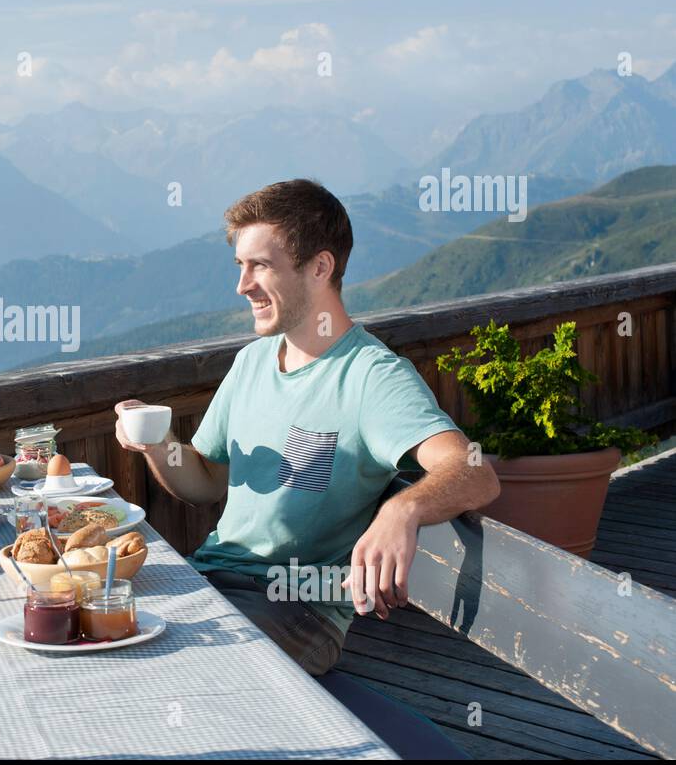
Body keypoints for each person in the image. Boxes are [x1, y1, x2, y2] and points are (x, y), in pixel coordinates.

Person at [114, 179, 499, 677]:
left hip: (296, 609)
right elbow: (207, 480)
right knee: (89, 629)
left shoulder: (371, 376)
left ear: (320, 267)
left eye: (261, 266)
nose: (242, 285)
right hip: (211, 578)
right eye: (240, 265)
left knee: (163, 675)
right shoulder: (252, 360)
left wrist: (405, 507)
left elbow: (476, 472)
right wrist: (158, 446)